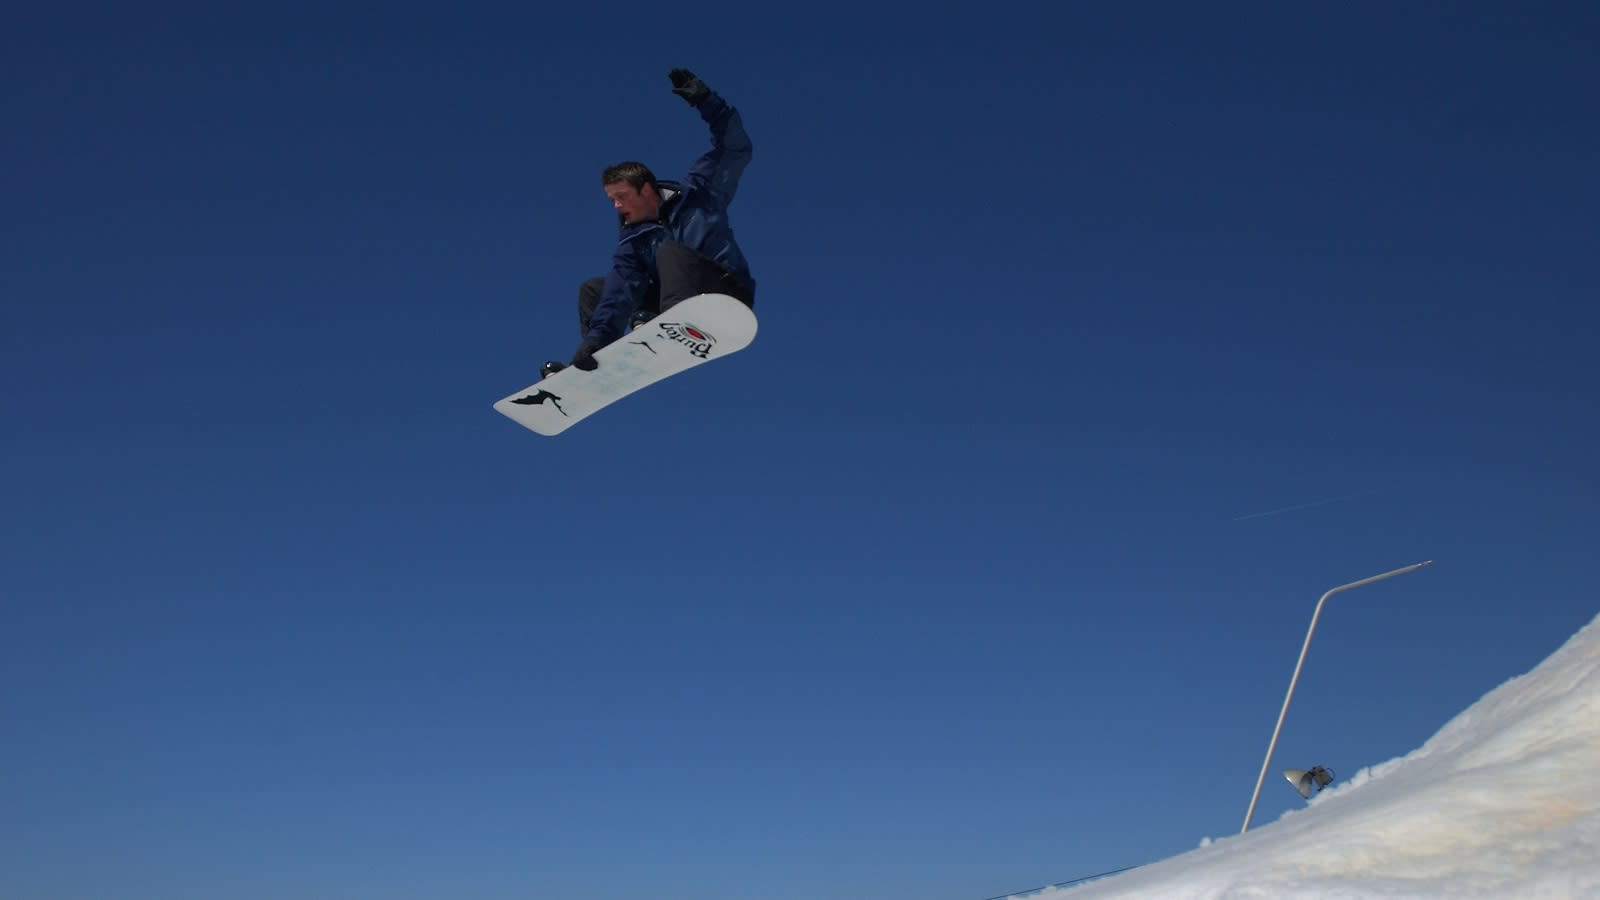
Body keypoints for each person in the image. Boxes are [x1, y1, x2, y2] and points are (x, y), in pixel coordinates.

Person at [542, 68, 756, 377]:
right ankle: (599, 359)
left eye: (622, 196)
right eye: (611, 200)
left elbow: (735, 147)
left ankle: (672, 322)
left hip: (726, 292)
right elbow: (619, 291)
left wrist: (706, 102)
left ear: (646, 190)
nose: (617, 206)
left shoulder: (700, 193)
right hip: (673, 300)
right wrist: (595, 339)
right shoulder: (633, 239)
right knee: (594, 290)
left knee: (669, 252)